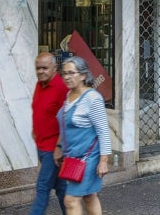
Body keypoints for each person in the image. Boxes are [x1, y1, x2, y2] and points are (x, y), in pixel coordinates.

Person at [54, 56, 112, 215]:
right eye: (64, 73)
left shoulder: (93, 99)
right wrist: (59, 147)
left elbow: (103, 131)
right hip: (73, 158)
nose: (66, 77)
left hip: (89, 159)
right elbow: (65, 125)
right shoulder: (69, 95)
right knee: (89, 196)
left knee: (70, 200)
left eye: (71, 73)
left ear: (83, 75)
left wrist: (103, 161)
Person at [30, 52, 68, 215]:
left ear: (54, 68)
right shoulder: (40, 85)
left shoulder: (61, 87)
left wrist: (59, 147)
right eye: (38, 68)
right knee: (61, 188)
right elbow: (39, 110)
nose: (41, 71)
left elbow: (67, 120)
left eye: (45, 68)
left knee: (43, 186)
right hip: (42, 146)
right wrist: (35, 129)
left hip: (53, 149)